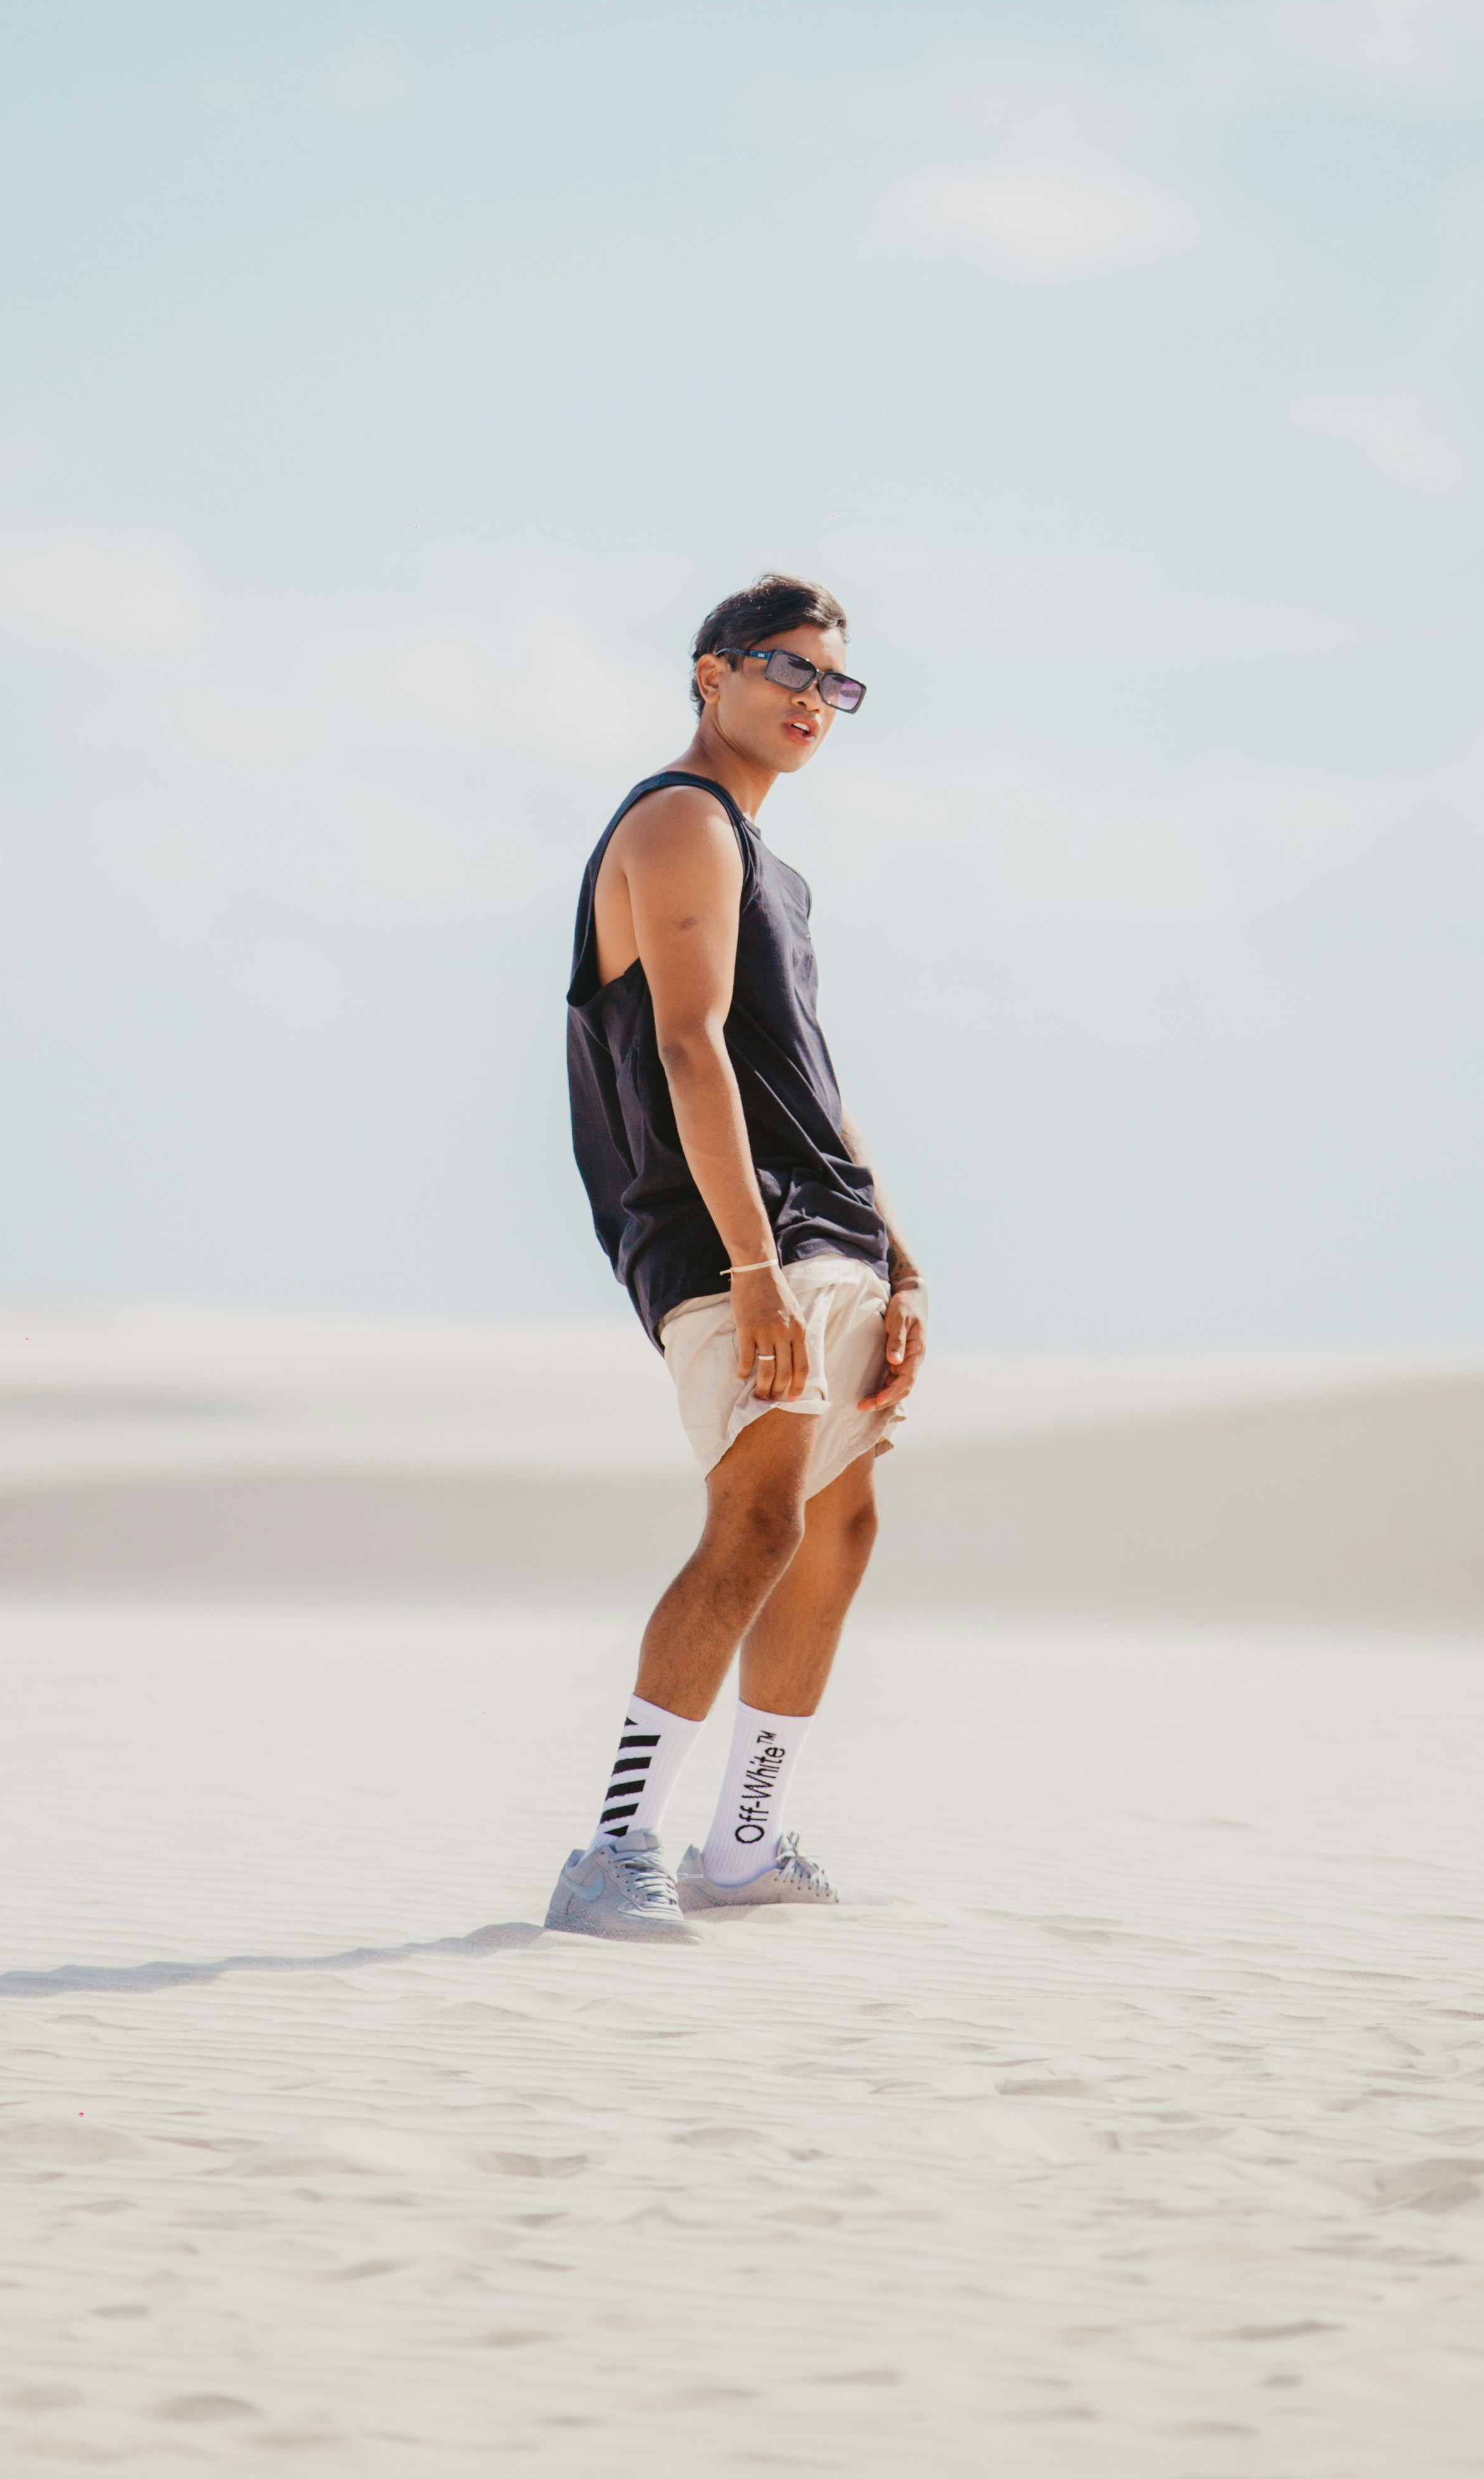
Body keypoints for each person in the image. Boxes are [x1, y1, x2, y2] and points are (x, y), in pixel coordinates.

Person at [545, 572, 928, 1944]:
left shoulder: (776, 866)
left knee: (839, 1523)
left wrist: (901, 1254)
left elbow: (809, 1080)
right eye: (785, 669)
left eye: (835, 683)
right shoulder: (678, 821)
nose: (811, 699)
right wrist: (757, 1268)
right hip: (730, 1236)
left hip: (824, 1226)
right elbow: (688, 1045)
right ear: (710, 674)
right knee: (757, 1518)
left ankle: (745, 1845)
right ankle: (612, 1850)